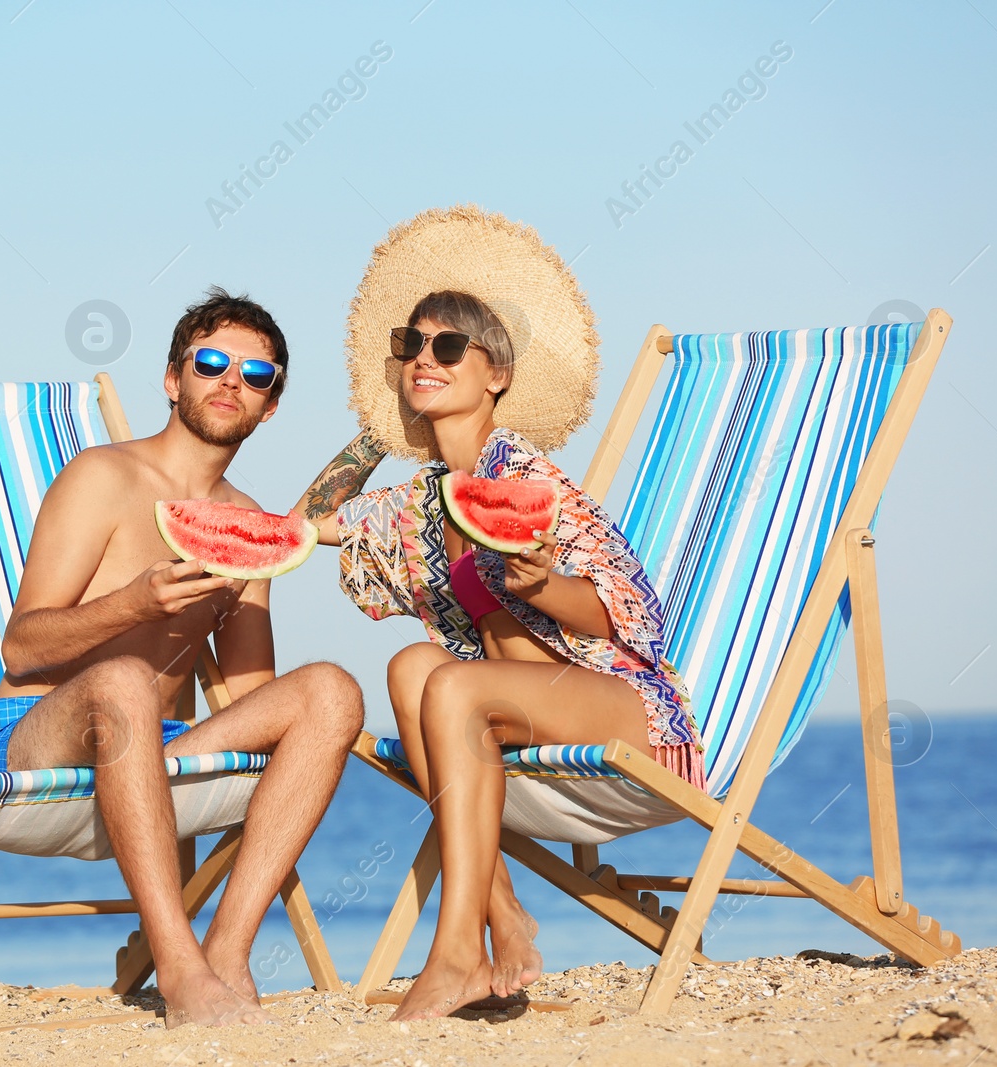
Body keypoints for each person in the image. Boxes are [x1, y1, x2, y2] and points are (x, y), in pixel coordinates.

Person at [301, 207, 704, 1021]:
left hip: (626, 713)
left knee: (445, 687)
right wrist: (379, 427)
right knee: (412, 666)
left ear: (498, 374)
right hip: (510, 715)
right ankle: (505, 913)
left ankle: (456, 954)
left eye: (449, 347)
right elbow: (307, 520)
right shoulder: (423, 501)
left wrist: (539, 584)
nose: (424, 357)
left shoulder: (531, 480)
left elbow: (633, 616)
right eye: (411, 346)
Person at [0, 288, 365, 1028]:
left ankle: (227, 949)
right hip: (35, 737)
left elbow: (255, 692)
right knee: (124, 678)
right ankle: (178, 966)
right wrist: (133, 605)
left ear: (270, 406)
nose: (231, 382)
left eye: (257, 376)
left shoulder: (250, 524)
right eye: (212, 361)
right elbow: (21, 646)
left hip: (156, 753)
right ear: (172, 378)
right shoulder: (103, 477)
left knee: (333, 691)